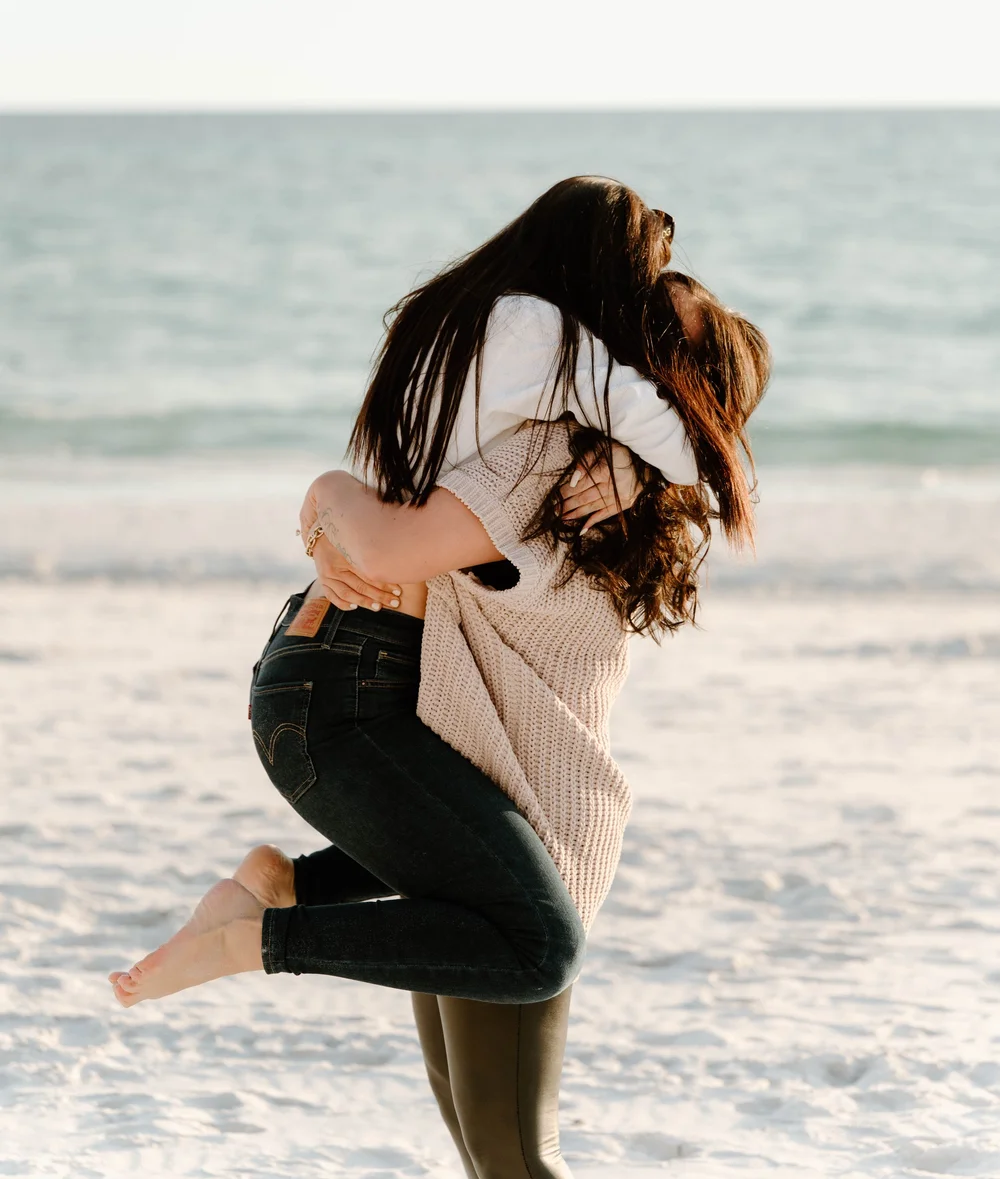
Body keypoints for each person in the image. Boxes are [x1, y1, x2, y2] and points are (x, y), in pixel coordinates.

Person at [108, 177, 770, 1179]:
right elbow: (395, 537)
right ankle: (268, 925)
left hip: (512, 817)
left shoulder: (595, 480)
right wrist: (331, 492)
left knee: (492, 1155)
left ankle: (279, 900)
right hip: (522, 831)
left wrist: (335, 492)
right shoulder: (555, 463)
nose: (614, 337)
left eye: (647, 331)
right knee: (511, 1156)